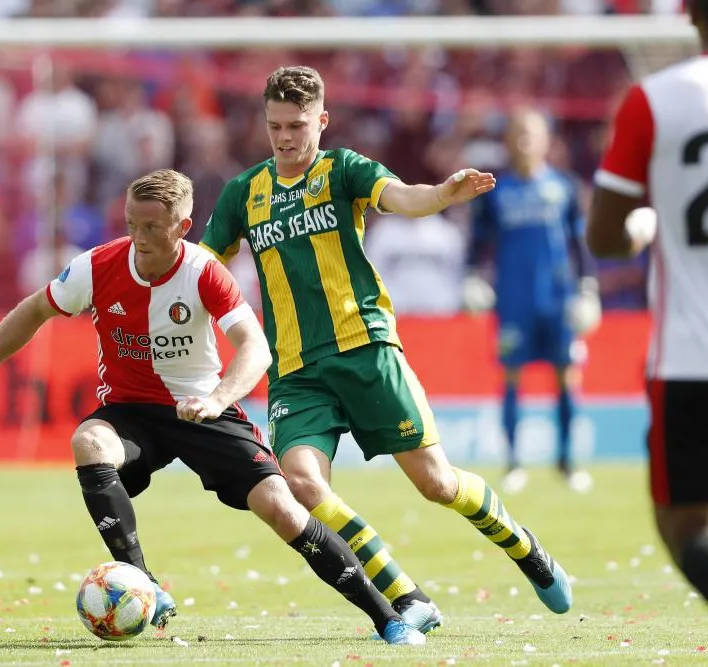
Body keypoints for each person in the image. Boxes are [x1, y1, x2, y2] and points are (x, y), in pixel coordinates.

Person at [0, 169, 427, 646]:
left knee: (283, 510)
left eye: (152, 227)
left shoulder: (203, 272)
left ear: (182, 226)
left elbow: (255, 348)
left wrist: (217, 399)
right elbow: (33, 310)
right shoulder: (96, 266)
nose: (139, 237)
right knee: (88, 441)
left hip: (203, 410)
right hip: (132, 413)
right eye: (132, 224)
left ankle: (388, 619)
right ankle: (143, 582)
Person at [200, 66, 573, 635]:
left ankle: (524, 545)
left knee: (438, 485)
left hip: (366, 351)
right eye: (275, 125)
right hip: (296, 370)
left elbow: (402, 197)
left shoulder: (343, 169)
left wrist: (445, 194)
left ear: (321, 121)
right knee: (300, 484)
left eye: (297, 125)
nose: (285, 137)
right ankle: (405, 595)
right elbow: (205, 267)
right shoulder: (242, 194)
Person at [587, 1, 708, 662]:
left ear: (688, 15)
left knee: (689, 531)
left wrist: (646, 225)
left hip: (694, 355)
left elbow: (604, 236)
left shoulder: (654, 100)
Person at [465, 108, 599, 495]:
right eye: (518, 133)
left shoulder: (565, 187)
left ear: (546, 141)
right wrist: (473, 277)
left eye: (532, 133)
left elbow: (579, 244)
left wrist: (588, 288)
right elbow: (479, 241)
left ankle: (568, 461)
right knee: (511, 375)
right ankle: (513, 463)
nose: (525, 140)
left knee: (567, 375)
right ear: (508, 141)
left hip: (560, 301)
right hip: (514, 301)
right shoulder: (496, 193)